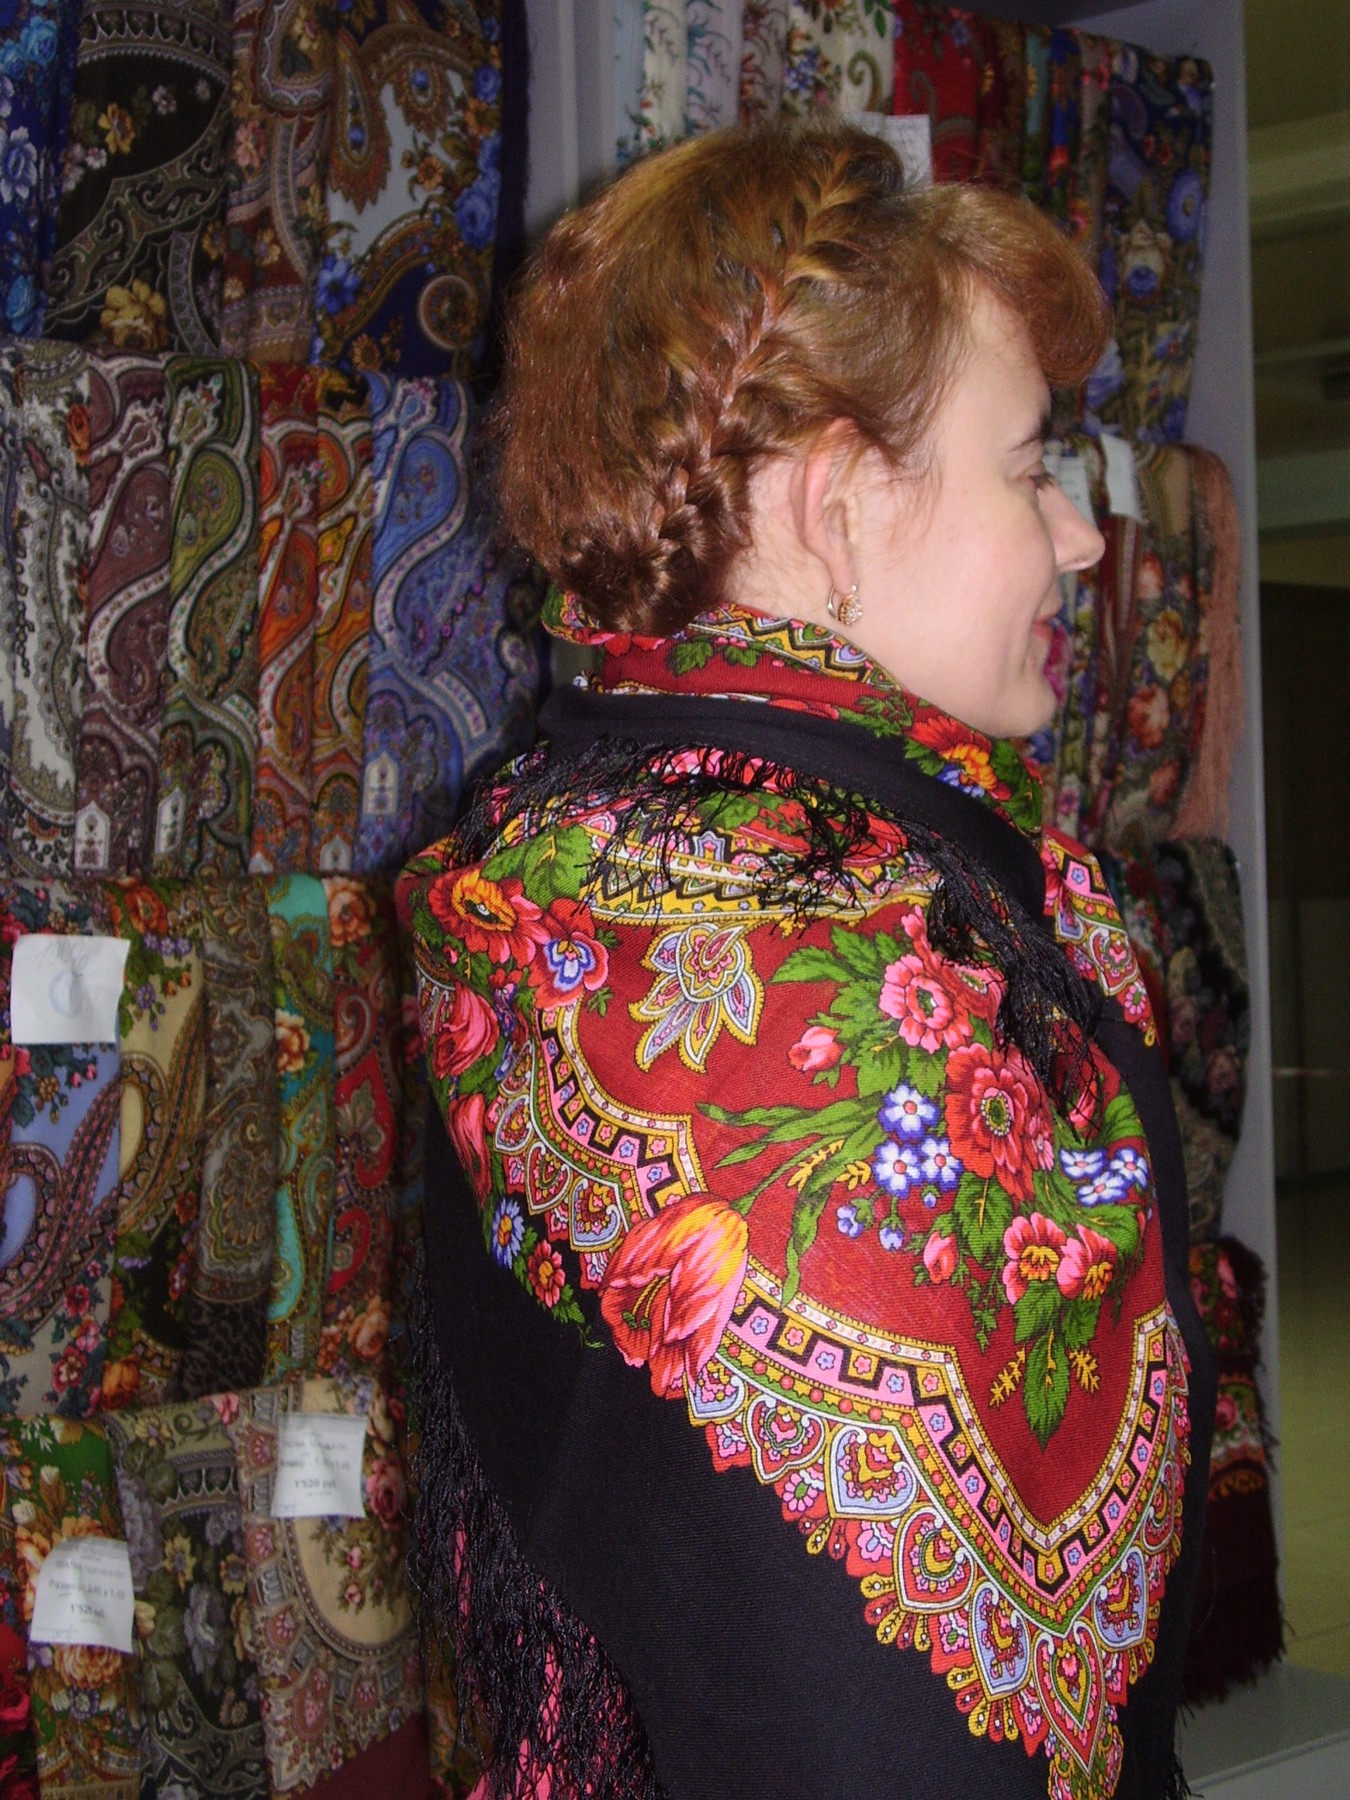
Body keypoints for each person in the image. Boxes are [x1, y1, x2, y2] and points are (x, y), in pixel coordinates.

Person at [399, 119, 1216, 1800]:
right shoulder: (787, 973)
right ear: (836, 504)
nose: (1079, 541)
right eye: (1028, 467)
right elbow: (855, 1717)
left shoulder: (602, 849)